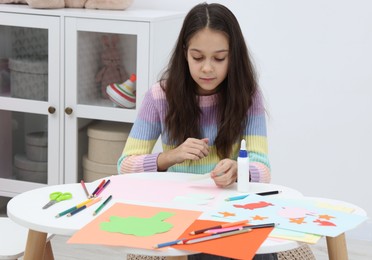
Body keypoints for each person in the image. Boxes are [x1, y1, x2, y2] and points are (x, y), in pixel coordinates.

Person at [118, 3, 276, 259]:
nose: (207, 68)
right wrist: (171, 156)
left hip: (229, 211)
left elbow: (263, 168)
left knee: (258, 251)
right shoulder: (160, 96)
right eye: (198, 57)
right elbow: (125, 165)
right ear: (184, 53)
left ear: (233, 55)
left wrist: (237, 170)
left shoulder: (247, 97)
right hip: (178, 211)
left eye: (219, 58)